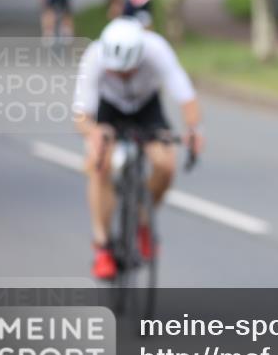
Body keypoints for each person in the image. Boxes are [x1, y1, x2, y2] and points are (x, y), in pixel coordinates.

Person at [72, 17, 204, 279]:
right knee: (100, 163)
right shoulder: (95, 56)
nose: (120, 76)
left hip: (146, 107)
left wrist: (194, 131)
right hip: (108, 109)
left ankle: (143, 222)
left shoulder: (156, 50)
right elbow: (81, 116)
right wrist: (95, 132)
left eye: (127, 72)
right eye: (114, 72)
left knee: (166, 164)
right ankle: (102, 246)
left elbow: (185, 96)